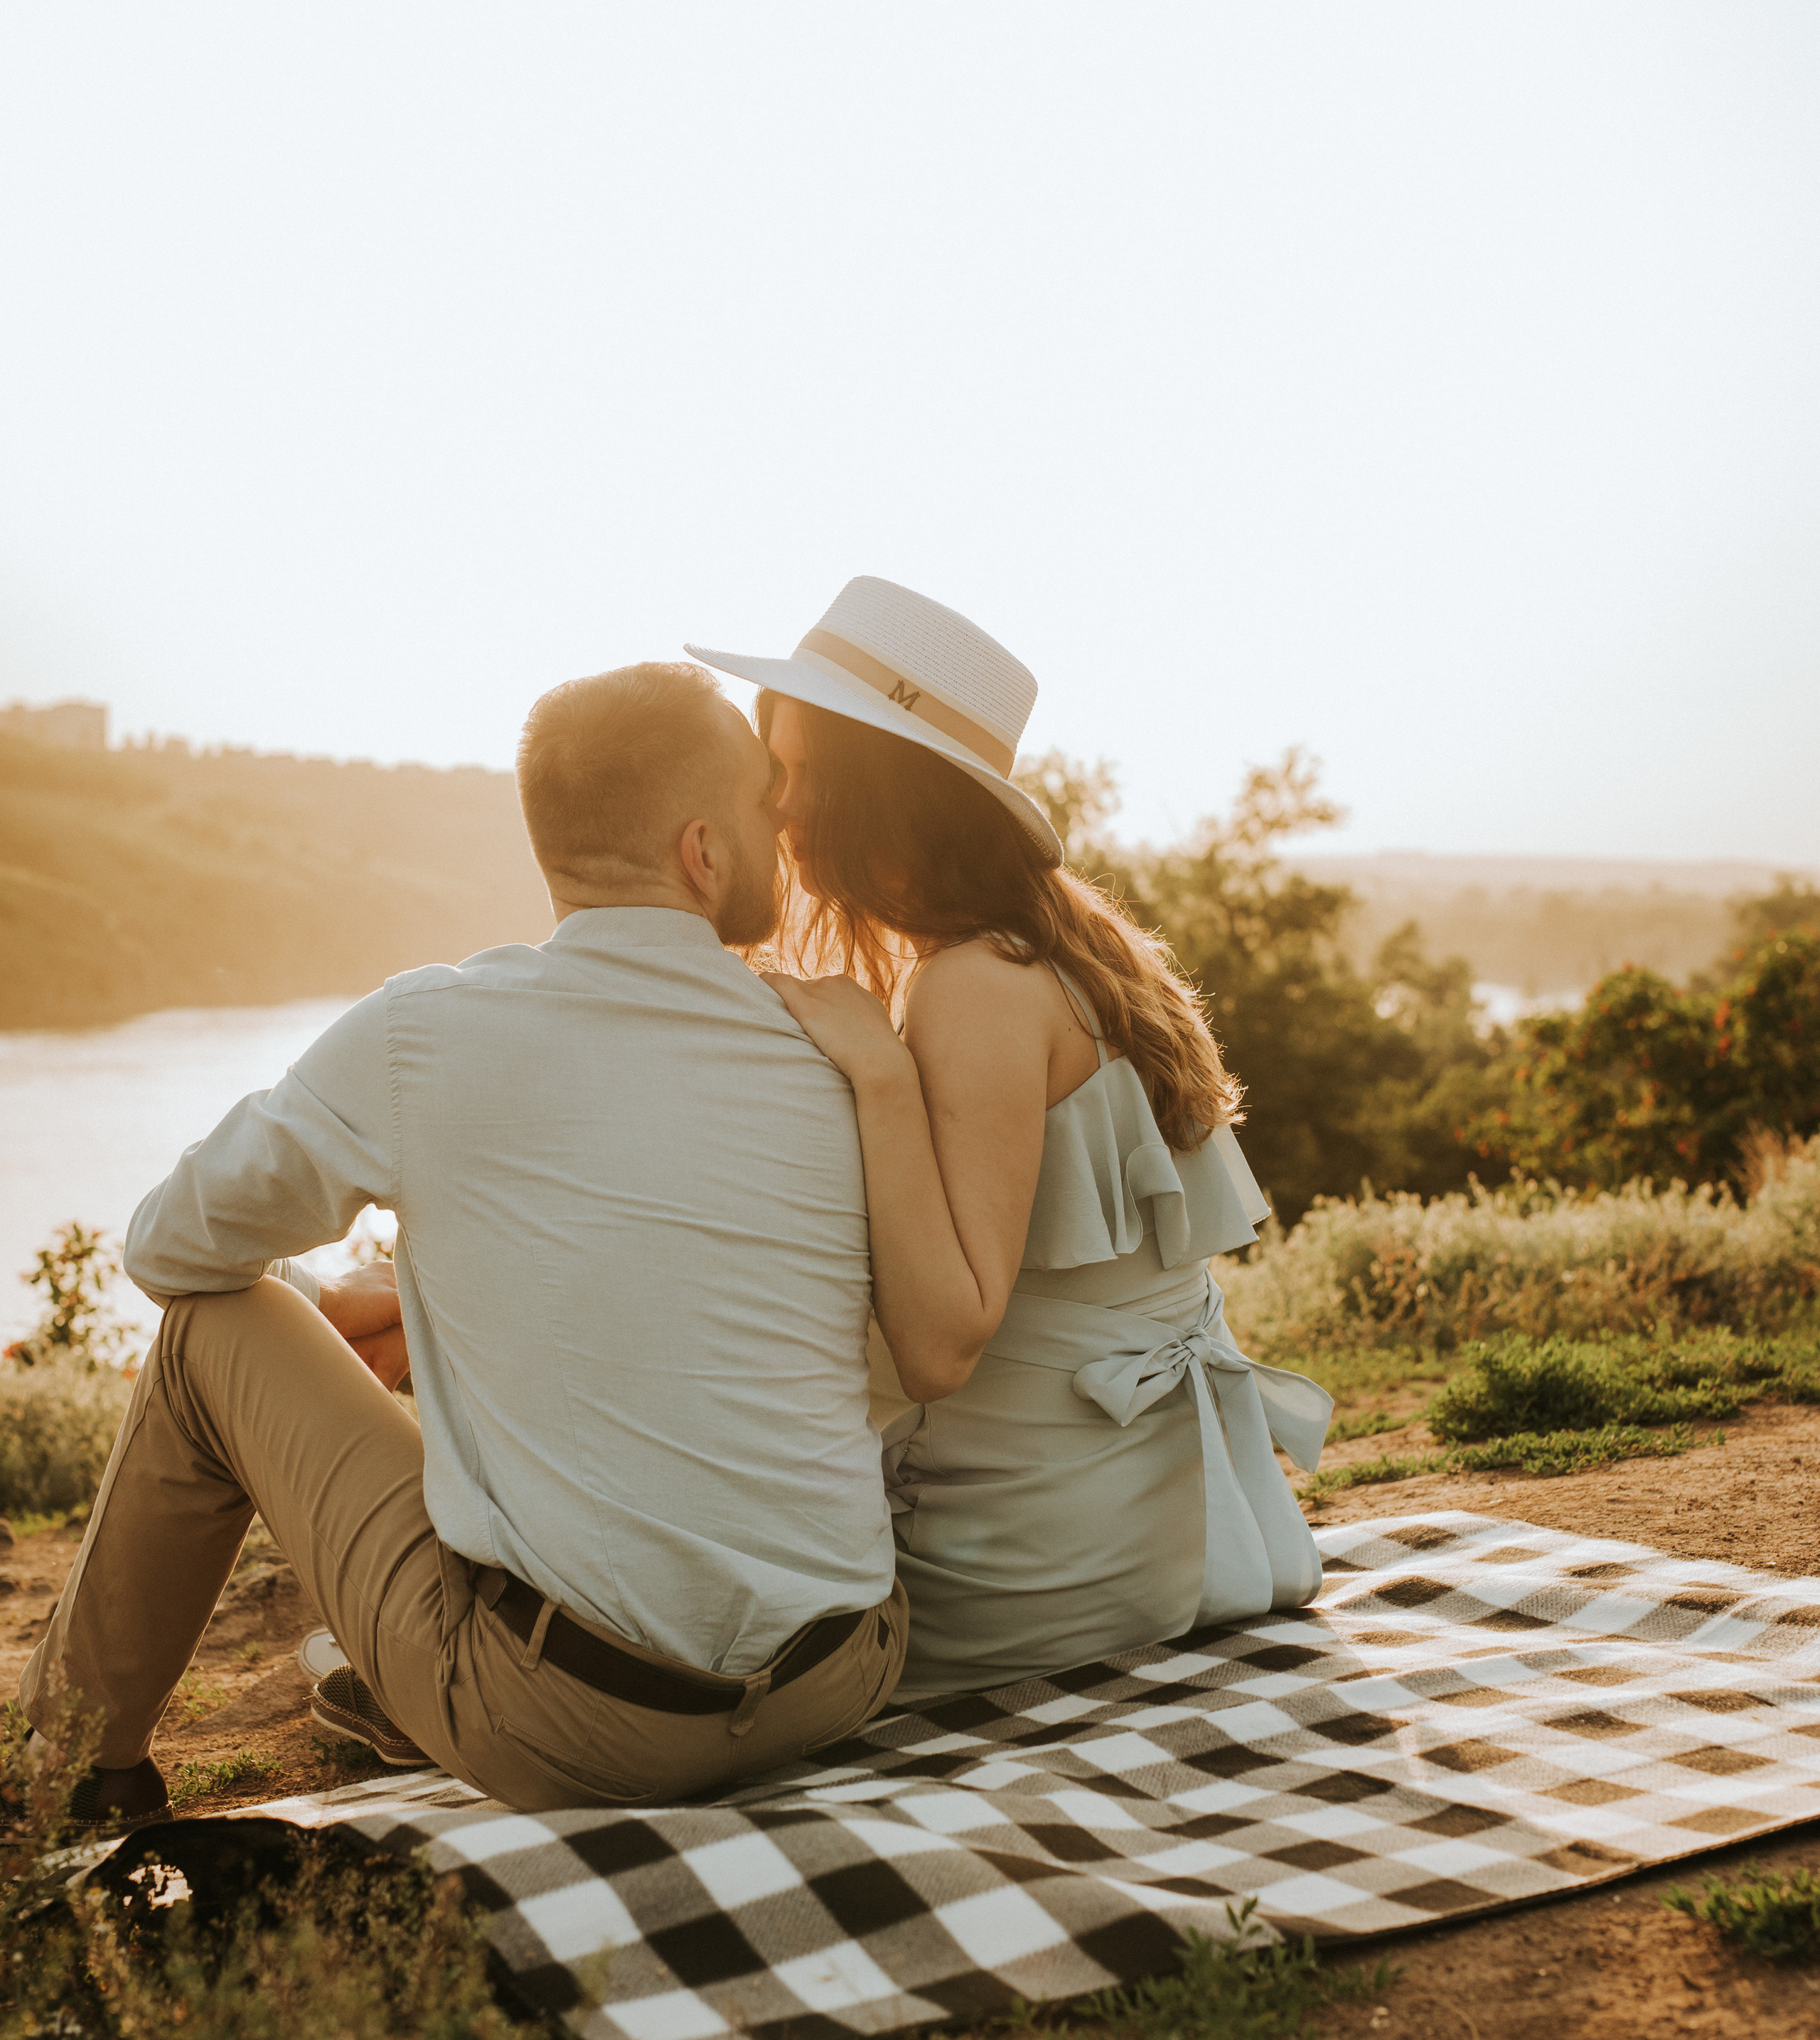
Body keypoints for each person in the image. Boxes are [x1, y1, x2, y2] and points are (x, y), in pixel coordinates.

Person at [20, 663, 906, 1827]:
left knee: (211, 1331)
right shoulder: (833, 1051)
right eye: (762, 806)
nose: (782, 831)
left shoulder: (427, 1037)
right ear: (702, 851)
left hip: (578, 1731)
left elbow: (168, 1247)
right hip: (840, 1679)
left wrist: (334, 1282)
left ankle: (68, 1777)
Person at [687, 578, 1330, 1703]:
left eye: (799, 772)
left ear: (878, 788)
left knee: (689, 1649)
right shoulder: (1077, 945)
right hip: (1180, 1518)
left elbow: (943, 1351)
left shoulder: (972, 988)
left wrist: (877, 1075)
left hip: (1048, 1569)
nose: (778, 808)